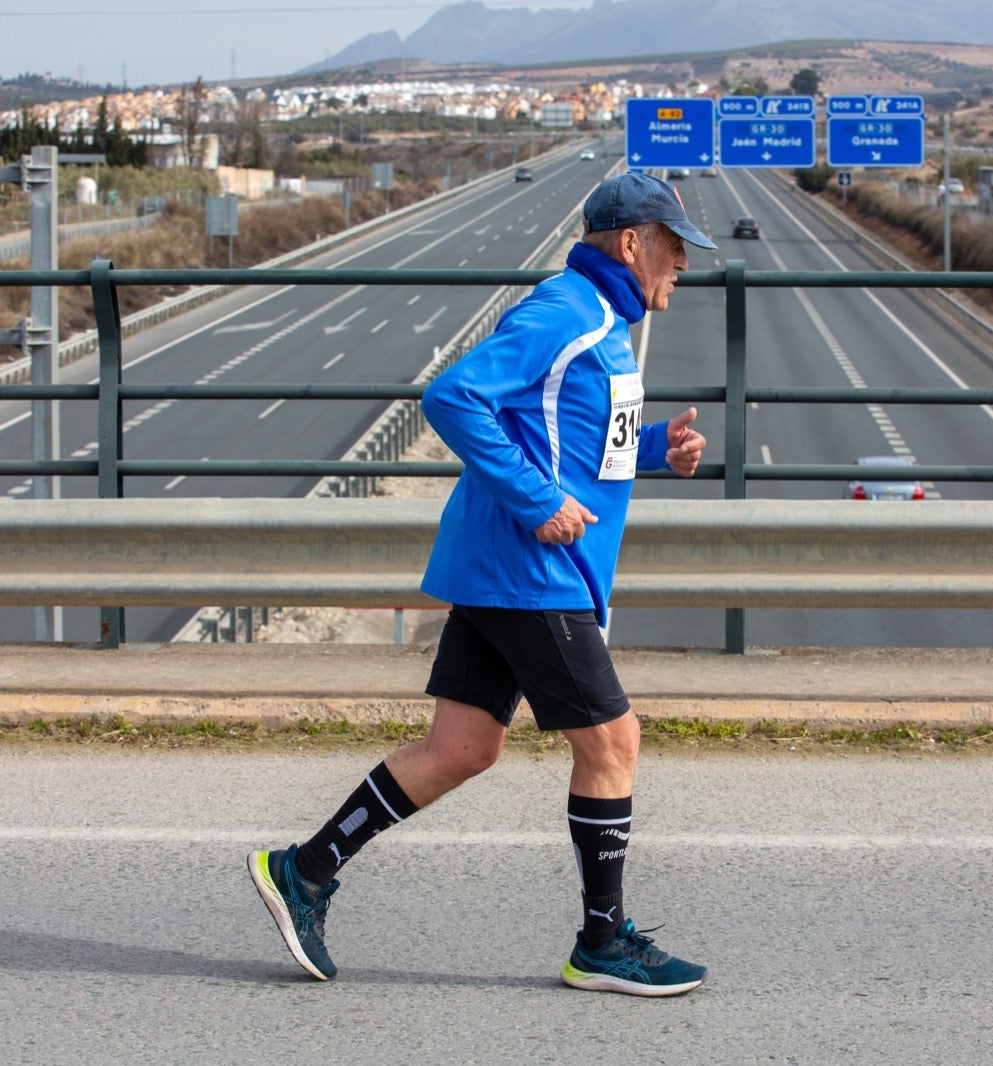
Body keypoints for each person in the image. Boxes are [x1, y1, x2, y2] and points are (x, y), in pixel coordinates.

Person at [249, 171, 714, 997]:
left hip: (514, 566)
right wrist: (537, 503)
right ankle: (602, 943)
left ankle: (305, 870)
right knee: (613, 742)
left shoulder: (603, 321)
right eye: (675, 248)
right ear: (634, 243)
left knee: (461, 748)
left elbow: (569, 439)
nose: (684, 264)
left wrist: (653, 451)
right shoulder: (565, 311)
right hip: (529, 571)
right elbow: (454, 396)